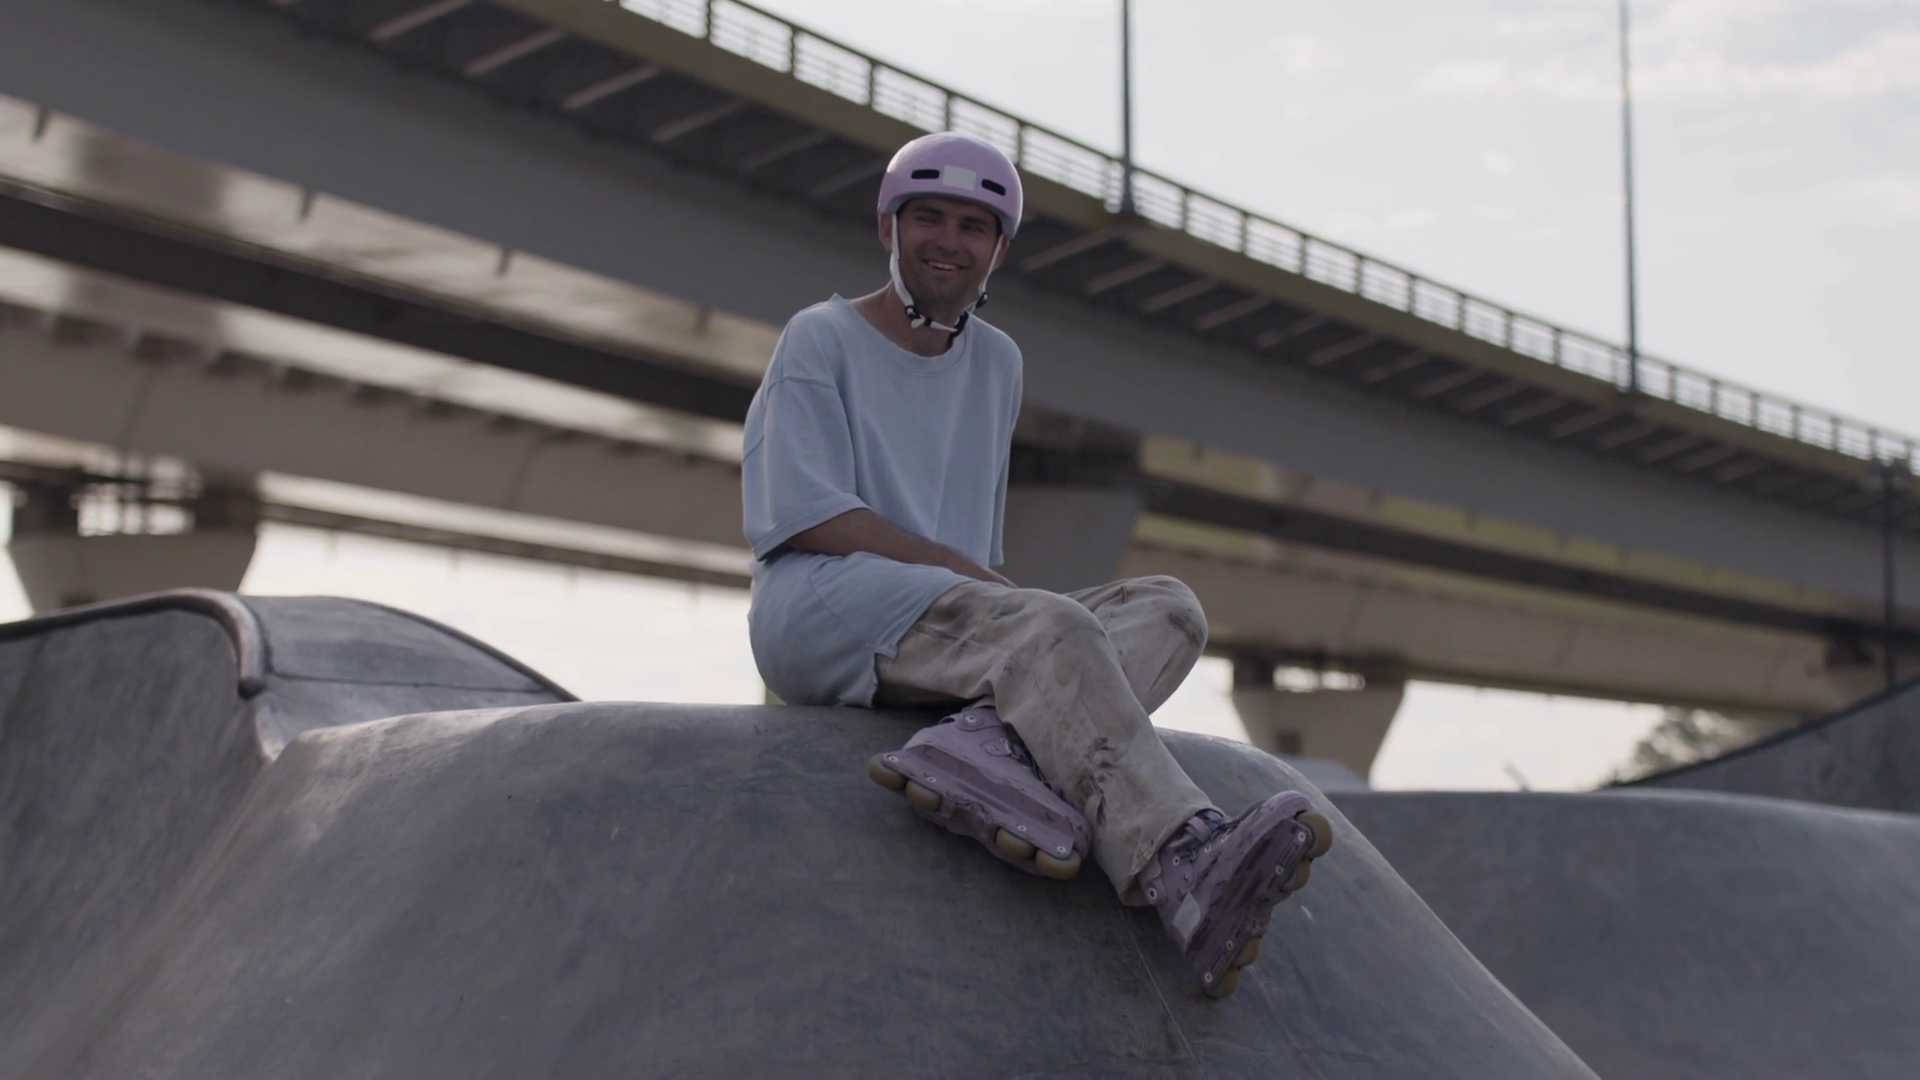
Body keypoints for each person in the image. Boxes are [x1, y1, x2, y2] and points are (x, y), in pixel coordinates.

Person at [740, 131, 1332, 998]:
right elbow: (808, 517)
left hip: (941, 616)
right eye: (928, 218)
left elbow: (980, 548)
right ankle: (1182, 858)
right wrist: (974, 583)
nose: (949, 241)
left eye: (973, 227)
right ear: (889, 228)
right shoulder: (820, 337)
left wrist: (985, 592)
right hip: (820, 605)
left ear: (1000, 249)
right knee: (1050, 623)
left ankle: (982, 749)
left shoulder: (998, 363)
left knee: (1170, 608)